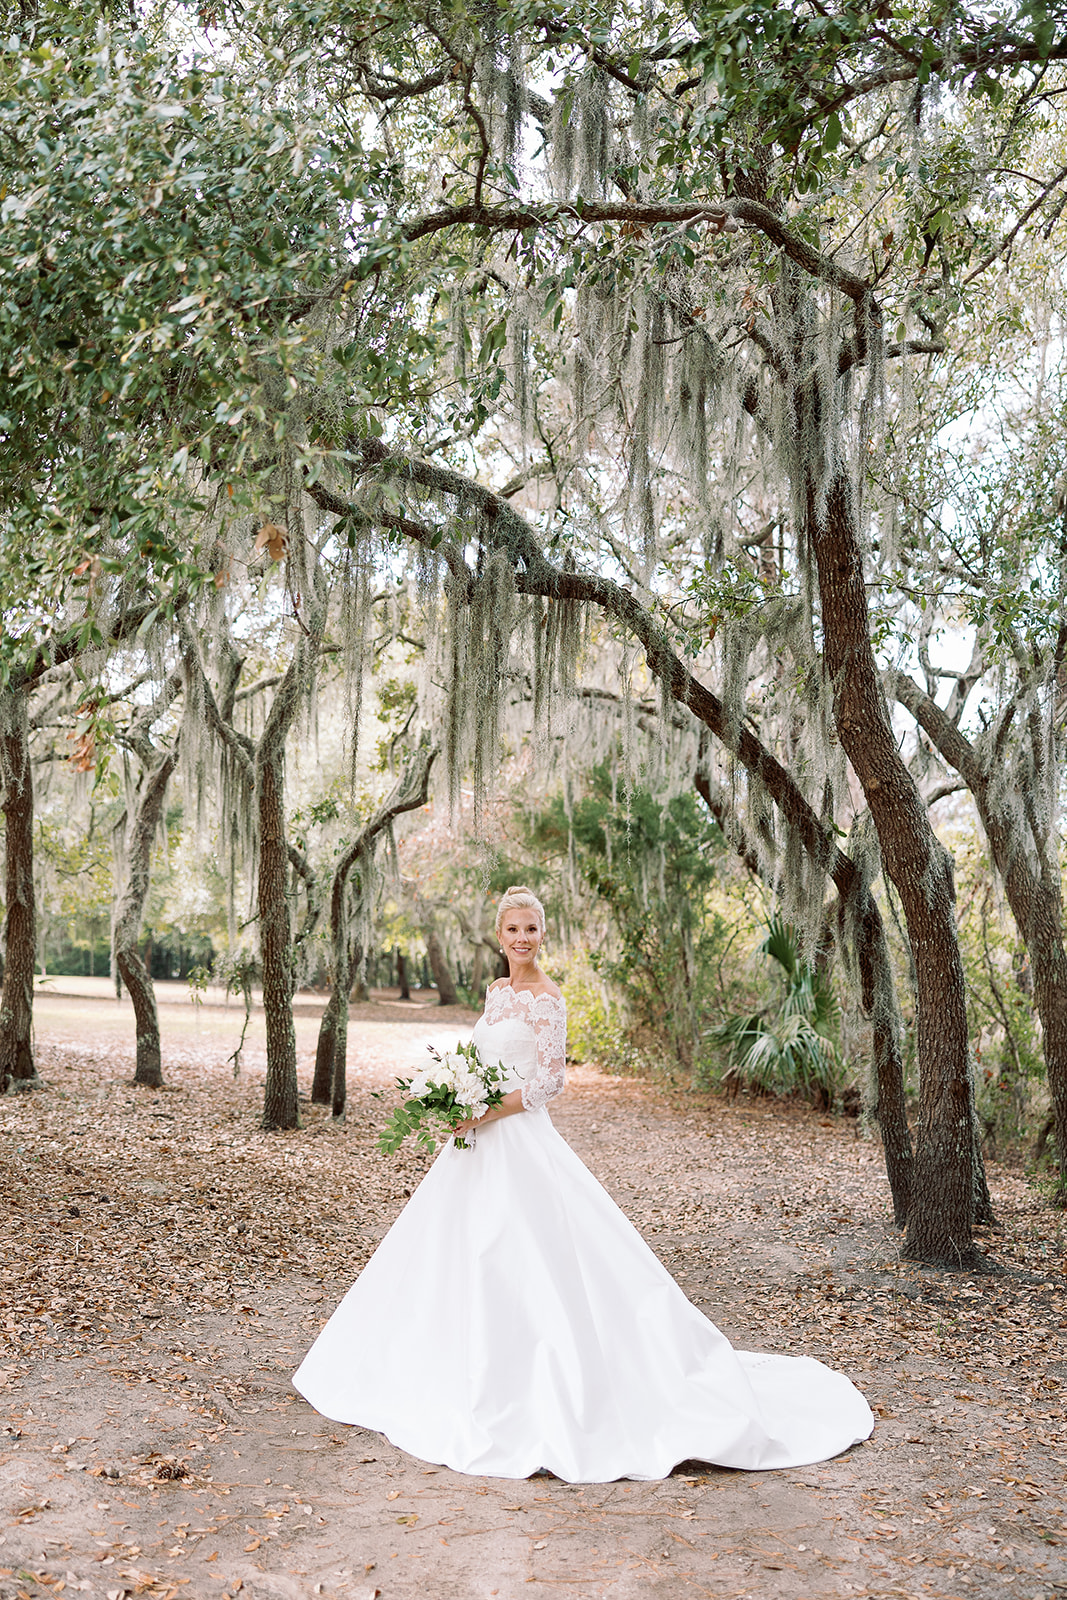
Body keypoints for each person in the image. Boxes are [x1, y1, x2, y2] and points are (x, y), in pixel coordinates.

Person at [293, 885, 873, 1482]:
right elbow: (480, 1059)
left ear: (543, 935)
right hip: (472, 1143)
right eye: (513, 929)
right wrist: (458, 1096)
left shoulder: (549, 999)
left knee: (531, 1258)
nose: (522, 939)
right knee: (453, 1253)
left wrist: (482, 1112)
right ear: (500, 935)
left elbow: (548, 1084)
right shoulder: (495, 992)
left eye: (532, 930)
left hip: (516, 1138)